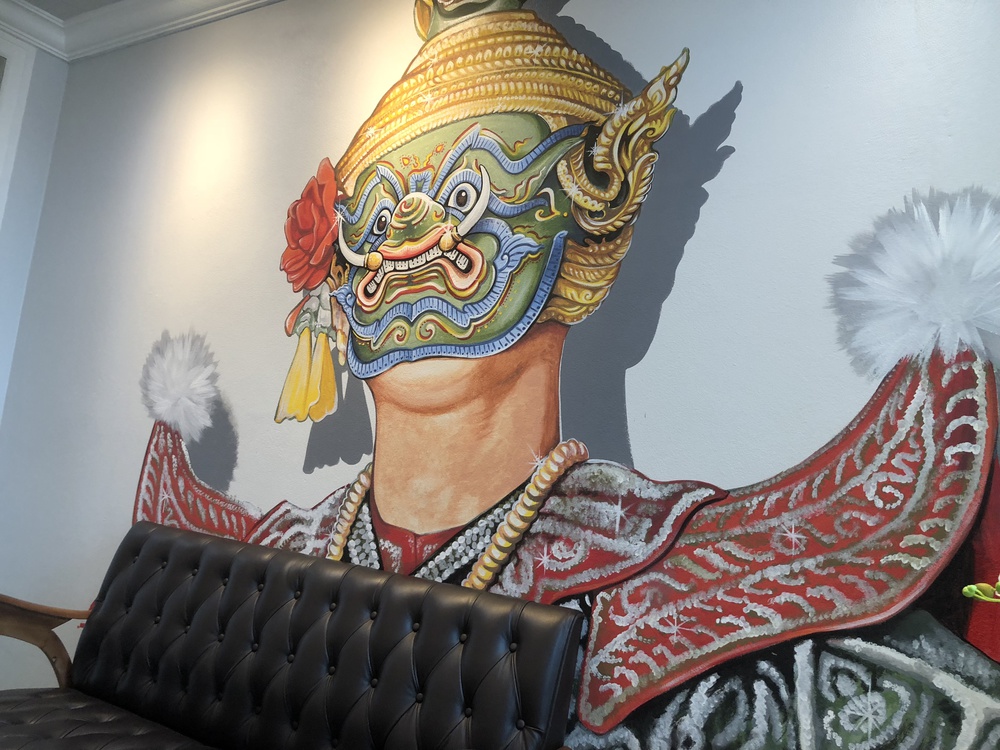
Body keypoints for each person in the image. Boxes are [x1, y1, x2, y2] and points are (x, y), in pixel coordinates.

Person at [136, 1, 1000, 746]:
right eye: (382, 209)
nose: (410, 242)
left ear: (593, 221)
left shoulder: (696, 596)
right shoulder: (278, 558)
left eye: (468, 193)